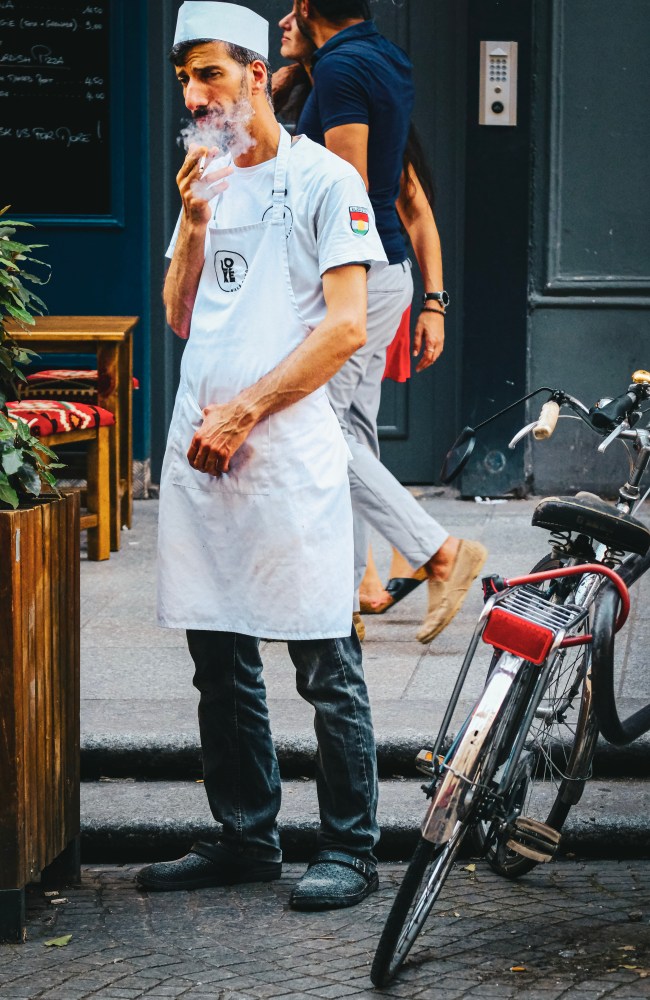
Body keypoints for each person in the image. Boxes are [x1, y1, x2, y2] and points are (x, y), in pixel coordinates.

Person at [136, 0, 389, 912]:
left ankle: (352, 849)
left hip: (283, 455)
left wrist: (245, 411)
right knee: (220, 655)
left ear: (253, 71)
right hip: (202, 459)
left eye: (209, 73)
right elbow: (178, 311)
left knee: (323, 655)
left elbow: (349, 328)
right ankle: (247, 836)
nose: (196, 94)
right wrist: (195, 222)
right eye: (183, 78)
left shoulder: (328, 179)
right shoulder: (203, 177)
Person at [281, 1, 488, 642]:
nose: (284, 16)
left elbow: (346, 190)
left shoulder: (342, 70)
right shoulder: (381, 61)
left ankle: (440, 552)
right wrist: (431, 299)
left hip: (355, 276)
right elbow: (405, 190)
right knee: (352, 432)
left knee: (317, 432)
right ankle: (346, 597)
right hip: (389, 273)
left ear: (308, 5)